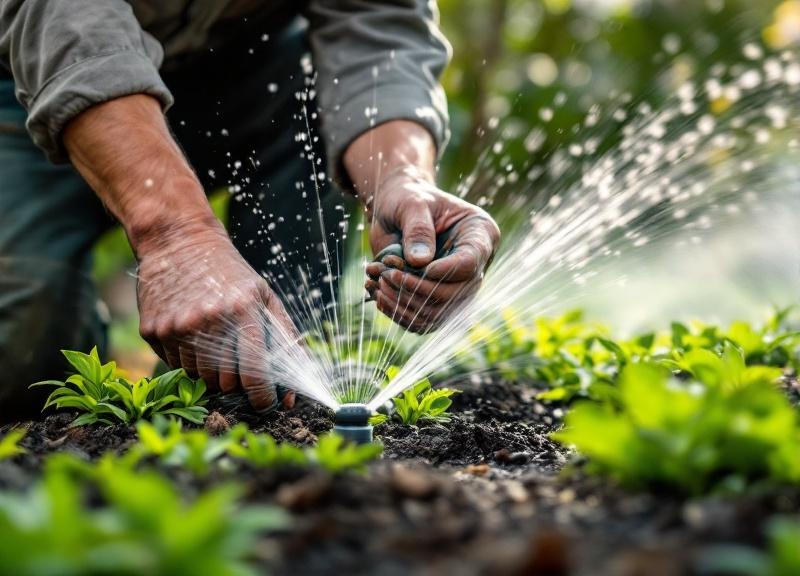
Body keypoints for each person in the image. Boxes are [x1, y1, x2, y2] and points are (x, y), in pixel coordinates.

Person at [0, 1, 500, 421]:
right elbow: (62, 16)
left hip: (253, 67)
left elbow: (378, 21)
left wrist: (398, 176)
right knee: (22, 349)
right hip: (35, 77)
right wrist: (178, 237)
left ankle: (234, 406)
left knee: (263, 391)